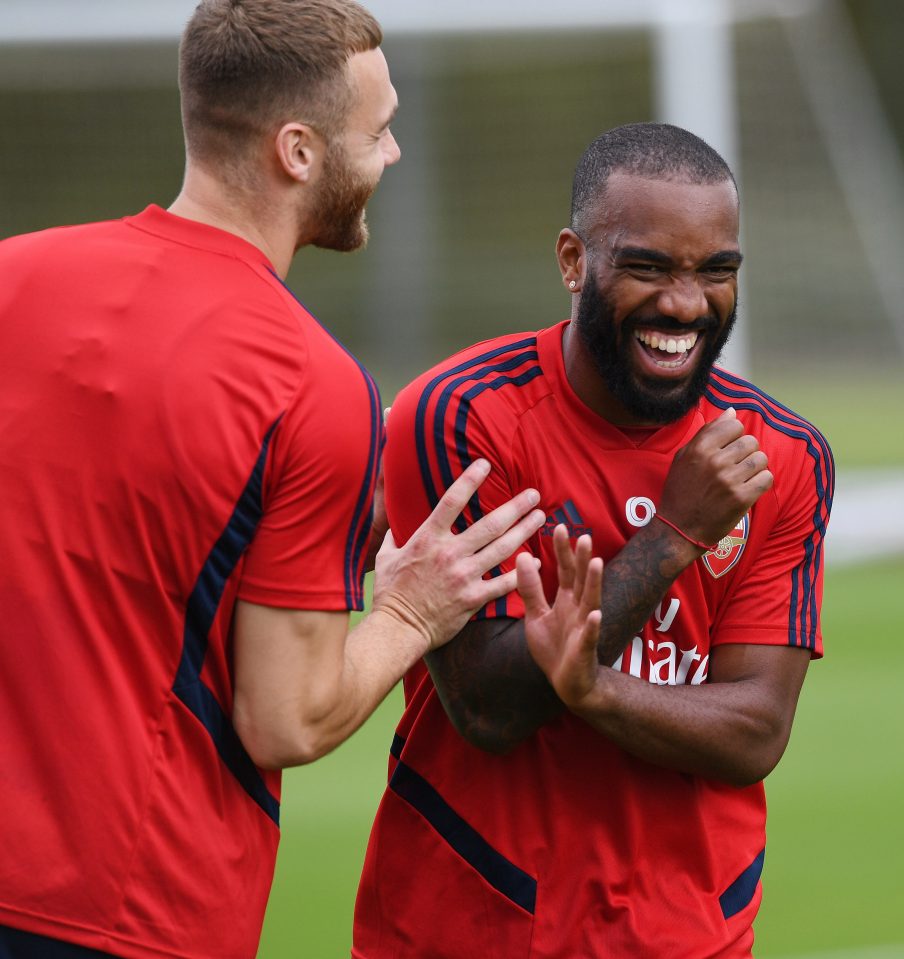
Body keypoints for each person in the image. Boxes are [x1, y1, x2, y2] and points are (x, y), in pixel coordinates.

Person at [0, 2, 546, 958]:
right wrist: (410, 613)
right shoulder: (309, 383)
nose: (394, 155)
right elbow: (283, 718)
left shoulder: (13, 276)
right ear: (298, 151)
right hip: (132, 911)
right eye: (377, 132)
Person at [352, 122, 834, 958]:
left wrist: (594, 689)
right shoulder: (462, 417)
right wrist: (675, 535)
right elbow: (487, 708)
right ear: (574, 261)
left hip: (690, 935)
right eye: (648, 265)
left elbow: (754, 731)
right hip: (468, 924)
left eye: (716, 271)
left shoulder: (781, 454)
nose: (685, 304)